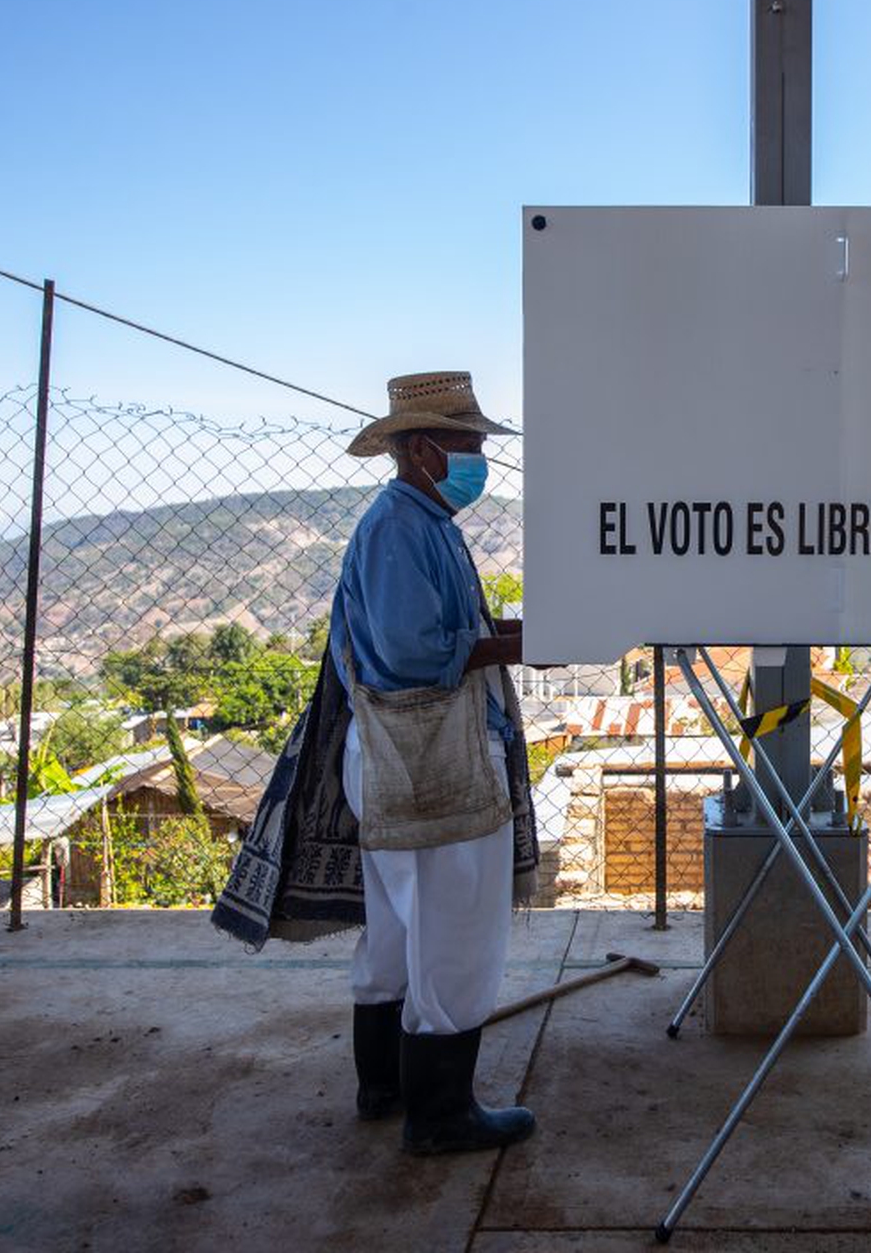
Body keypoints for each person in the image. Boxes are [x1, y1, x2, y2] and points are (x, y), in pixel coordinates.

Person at [333, 371, 535, 1155]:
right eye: (468, 444)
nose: (479, 458)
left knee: (396, 934)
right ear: (421, 448)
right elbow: (417, 653)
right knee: (455, 934)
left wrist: (516, 635)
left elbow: (449, 628)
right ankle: (441, 1113)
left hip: (398, 763)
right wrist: (516, 647)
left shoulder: (423, 520)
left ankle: (383, 1084)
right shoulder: (400, 530)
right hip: (430, 759)